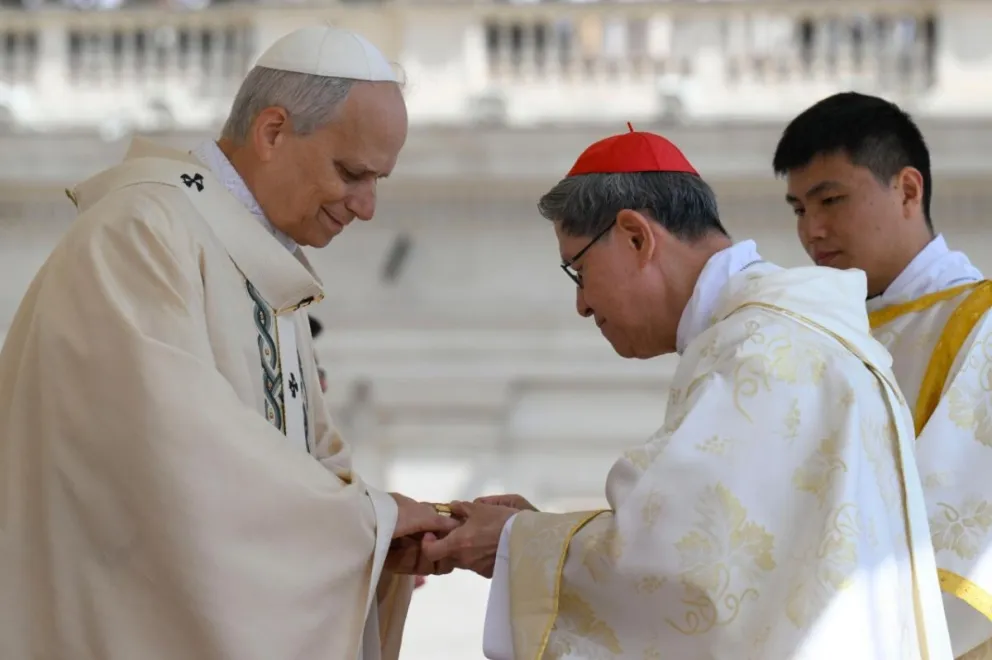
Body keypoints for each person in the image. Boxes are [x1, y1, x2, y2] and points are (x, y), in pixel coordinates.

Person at [0, 25, 458, 660]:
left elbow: (309, 460)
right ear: (272, 132)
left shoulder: (263, 264)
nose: (367, 206)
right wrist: (369, 522)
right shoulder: (141, 232)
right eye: (352, 173)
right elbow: (175, 452)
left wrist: (380, 540)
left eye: (378, 179)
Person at [424, 127, 953, 658]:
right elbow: (716, 561)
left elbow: (691, 583)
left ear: (636, 236)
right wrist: (529, 534)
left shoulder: (761, 353)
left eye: (578, 270)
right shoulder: (780, 336)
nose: (582, 304)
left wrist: (518, 541)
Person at [772, 91, 992, 658]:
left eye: (831, 200)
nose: (813, 231)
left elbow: (961, 541)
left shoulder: (980, 326)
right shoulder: (817, 335)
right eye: (799, 209)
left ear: (908, 190)